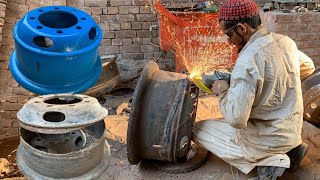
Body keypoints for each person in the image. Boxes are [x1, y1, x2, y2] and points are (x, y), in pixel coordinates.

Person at [192, 0, 315, 179]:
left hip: (264, 142)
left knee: (199, 128)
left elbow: (236, 119)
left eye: (228, 34)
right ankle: (292, 150)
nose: (228, 41)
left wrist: (222, 91)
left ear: (242, 28)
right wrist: (269, 78)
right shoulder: (285, 42)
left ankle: (270, 161)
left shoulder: (247, 60)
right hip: (291, 133)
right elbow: (308, 67)